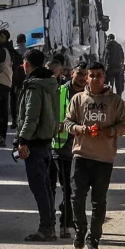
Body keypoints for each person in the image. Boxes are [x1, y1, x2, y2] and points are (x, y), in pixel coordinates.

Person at [64, 61, 125, 249]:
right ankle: (80, 229)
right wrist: (80, 129)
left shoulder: (115, 101)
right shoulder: (78, 99)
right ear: (86, 77)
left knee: (98, 201)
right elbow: (68, 122)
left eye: (98, 75)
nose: (94, 78)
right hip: (81, 155)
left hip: (104, 158)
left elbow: (124, 125)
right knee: (76, 197)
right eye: (91, 75)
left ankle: (94, 238)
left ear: (104, 77)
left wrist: (109, 132)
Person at [14, 48, 59, 242]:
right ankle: (50, 226)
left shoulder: (34, 86)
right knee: (46, 187)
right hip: (47, 142)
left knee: (39, 187)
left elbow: (31, 116)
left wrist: (23, 140)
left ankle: (45, 227)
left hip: (35, 144)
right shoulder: (50, 83)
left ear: (27, 64)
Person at [52, 63, 86, 239]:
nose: (82, 78)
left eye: (85, 75)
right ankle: (64, 223)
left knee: (77, 190)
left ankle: (71, 222)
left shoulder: (91, 95)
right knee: (66, 188)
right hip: (62, 148)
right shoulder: (61, 91)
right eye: (79, 73)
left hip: (83, 149)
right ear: (72, 73)